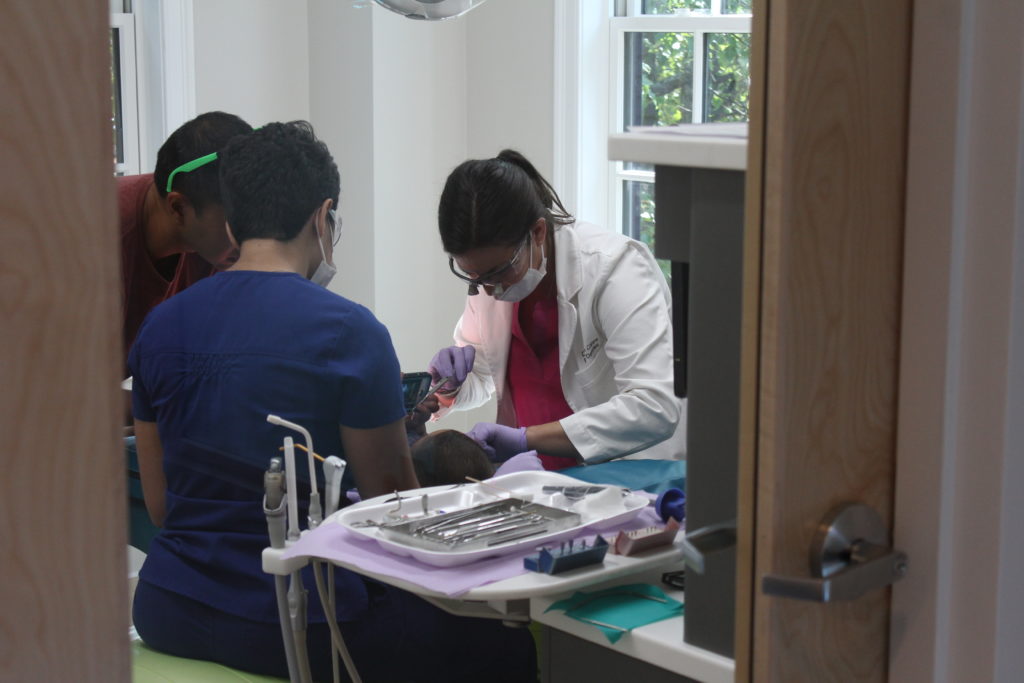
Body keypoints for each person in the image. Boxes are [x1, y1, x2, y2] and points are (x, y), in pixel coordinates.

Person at [128, 122, 536, 682]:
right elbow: (394, 509)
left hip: (166, 607)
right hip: (298, 622)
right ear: (323, 217)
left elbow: (160, 507)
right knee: (504, 642)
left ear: (233, 218)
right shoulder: (349, 332)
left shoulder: (158, 328)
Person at [429, 150, 685, 470]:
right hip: (539, 481)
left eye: (498, 273)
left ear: (537, 233)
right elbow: (483, 376)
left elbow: (655, 406)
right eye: (472, 277)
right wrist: (451, 386)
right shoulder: (489, 280)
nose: (488, 290)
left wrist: (527, 438)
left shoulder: (615, 269)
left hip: (628, 478)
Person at [119, 111, 252, 370]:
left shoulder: (211, 243)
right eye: (234, 223)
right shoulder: (95, 239)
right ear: (179, 209)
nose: (246, 241)